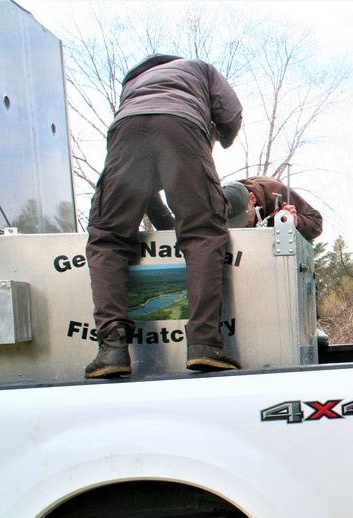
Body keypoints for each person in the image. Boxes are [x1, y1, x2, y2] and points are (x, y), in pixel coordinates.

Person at [84, 54, 243, 379]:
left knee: (108, 238)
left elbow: (140, 186)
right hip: (183, 127)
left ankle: (112, 348)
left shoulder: (132, 84)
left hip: (125, 132)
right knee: (202, 234)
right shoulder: (200, 68)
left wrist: (169, 225)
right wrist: (218, 139)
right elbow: (232, 113)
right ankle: (203, 345)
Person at [221, 176, 323, 241]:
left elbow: (316, 222)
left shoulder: (277, 191)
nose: (242, 225)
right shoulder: (218, 202)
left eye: (244, 216)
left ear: (252, 198)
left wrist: (296, 222)